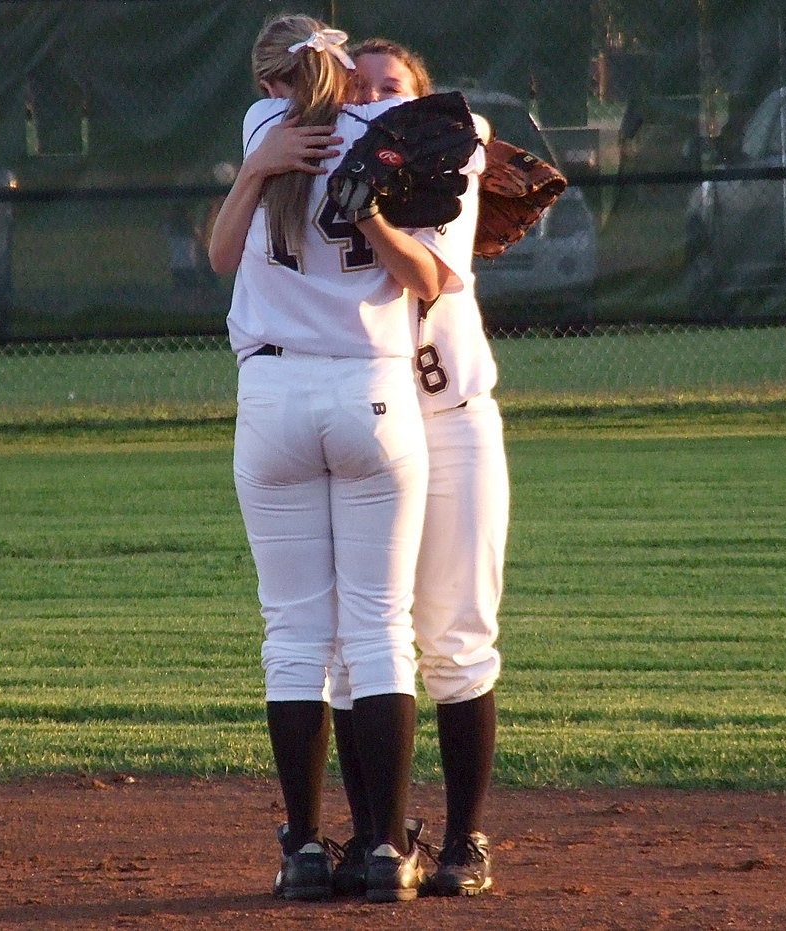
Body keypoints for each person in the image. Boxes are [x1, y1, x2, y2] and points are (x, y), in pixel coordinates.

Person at [206, 14, 470, 904]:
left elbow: (224, 251)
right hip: (373, 391)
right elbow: (431, 273)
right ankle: (388, 851)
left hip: (274, 395)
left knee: (293, 635)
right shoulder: (399, 134)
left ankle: (305, 853)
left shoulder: (261, 128)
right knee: (379, 628)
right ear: (345, 68)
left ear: (274, 79)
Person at [327, 38, 509, 898]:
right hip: (368, 428)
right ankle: (376, 841)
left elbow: (429, 277)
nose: (370, 98)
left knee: (457, 639)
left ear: (418, 99)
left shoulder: (444, 153)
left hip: (454, 424)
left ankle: (466, 841)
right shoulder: (320, 163)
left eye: (389, 87)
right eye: (355, 86)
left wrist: (370, 207)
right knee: (359, 644)